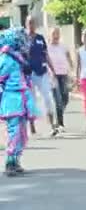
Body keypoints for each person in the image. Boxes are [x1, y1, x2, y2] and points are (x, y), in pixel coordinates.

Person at [0, 27, 39, 176]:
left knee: (22, 132)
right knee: (14, 131)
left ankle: (16, 159)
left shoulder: (18, 58)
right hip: (12, 100)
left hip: (21, 99)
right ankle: (10, 161)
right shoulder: (6, 58)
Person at [25, 16, 58, 137]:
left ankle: (53, 125)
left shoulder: (40, 38)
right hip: (30, 73)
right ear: (26, 24)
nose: (31, 25)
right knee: (31, 100)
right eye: (29, 23)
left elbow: (46, 55)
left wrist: (53, 69)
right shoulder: (23, 39)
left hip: (42, 71)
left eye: (33, 23)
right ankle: (32, 126)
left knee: (47, 98)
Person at [48, 27, 73, 132]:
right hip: (53, 75)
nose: (56, 35)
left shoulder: (63, 46)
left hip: (64, 74)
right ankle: (60, 123)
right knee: (58, 99)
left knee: (65, 98)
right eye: (54, 33)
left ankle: (58, 116)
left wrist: (72, 71)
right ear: (50, 35)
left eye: (57, 33)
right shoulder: (47, 47)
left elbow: (69, 58)